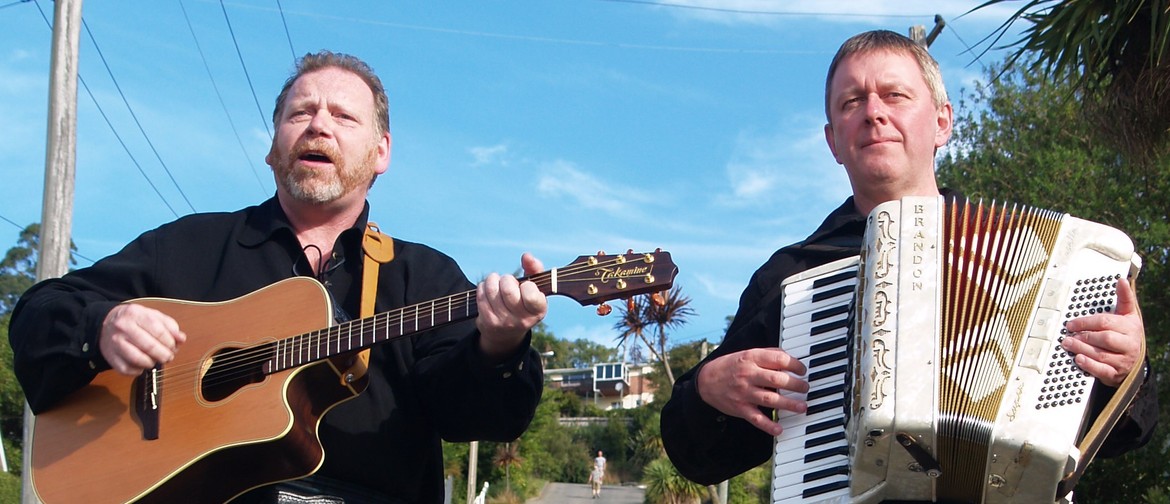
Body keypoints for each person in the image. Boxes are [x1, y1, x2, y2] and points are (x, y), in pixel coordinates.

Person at [10, 50, 548, 503]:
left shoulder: (426, 278)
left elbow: (480, 419)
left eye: (343, 116)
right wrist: (100, 325)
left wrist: (500, 346)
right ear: (273, 147)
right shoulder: (189, 247)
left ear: (381, 152)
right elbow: (39, 312)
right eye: (300, 114)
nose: (319, 125)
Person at [659, 29, 1159, 491]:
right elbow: (704, 460)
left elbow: (1120, 437)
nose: (874, 112)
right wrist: (705, 389)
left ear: (942, 122)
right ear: (833, 140)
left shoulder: (1041, 261)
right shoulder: (792, 279)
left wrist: (1127, 369)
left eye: (894, 95)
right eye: (852, 102)